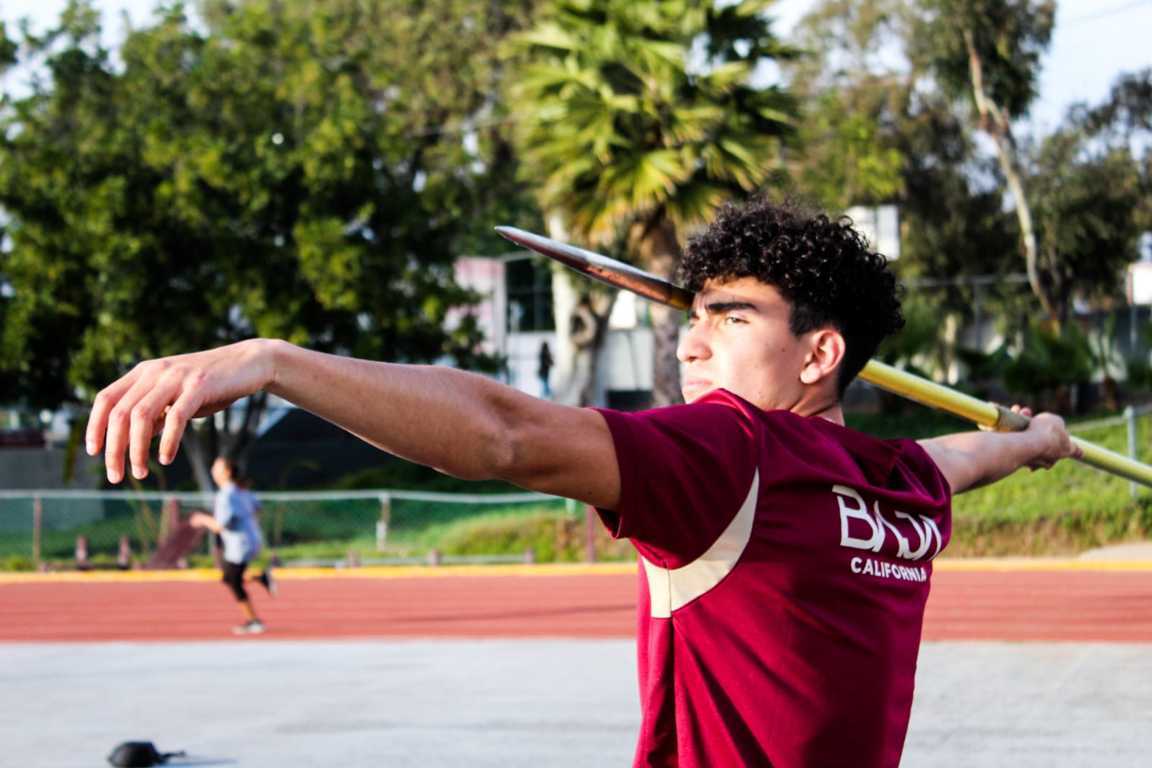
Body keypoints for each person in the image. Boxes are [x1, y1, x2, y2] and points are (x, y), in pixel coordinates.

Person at [85, 197, 1079, 767]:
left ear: (819, 352)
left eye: (730, 317)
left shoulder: (731, 451)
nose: (693, 338)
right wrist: (1037, 440)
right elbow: (968, 456)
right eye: (695, 314)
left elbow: (508, 435)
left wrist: (278, 363)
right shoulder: (902, 485)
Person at [189, 456, 275, 635]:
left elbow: (219, 526)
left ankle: (254, 621)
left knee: (234, 582)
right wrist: (248, 522)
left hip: (239, 545)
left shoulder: (225, 495)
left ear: (227, 472)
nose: (213, 470)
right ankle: (261, 578)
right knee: (229, 579)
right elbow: (257, 508)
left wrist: (201, 519)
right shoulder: (241, 491)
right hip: (250, 540)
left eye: (216, 466)